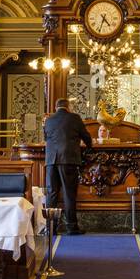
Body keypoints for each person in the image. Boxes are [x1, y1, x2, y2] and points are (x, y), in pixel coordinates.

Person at [43, 97, 93, 234]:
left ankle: (50, 228)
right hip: (68, 159)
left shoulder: (48, 120)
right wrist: (89, 146)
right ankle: (71, 227)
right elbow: (86, 137)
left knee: (52, 193)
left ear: (55, 107)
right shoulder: (75, 118)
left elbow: (46, 137)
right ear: (68, 107)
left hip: (51, 160)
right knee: (69, 193)